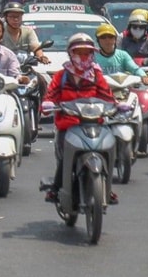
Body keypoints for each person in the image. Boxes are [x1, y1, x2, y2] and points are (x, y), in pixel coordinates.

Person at [44, 33, 118, 205]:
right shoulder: (61, 75)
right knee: (64, 157)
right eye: (79, 52)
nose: (83, 57)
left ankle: (107, 188)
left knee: (108, 148)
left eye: (87, 53)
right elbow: (51, 94)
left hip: (95, 123)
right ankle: (55, 188)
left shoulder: (97, 75)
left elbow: (107, 96)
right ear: (71, 53)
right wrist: (47, 103)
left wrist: (116, 105)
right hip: (68, 125)